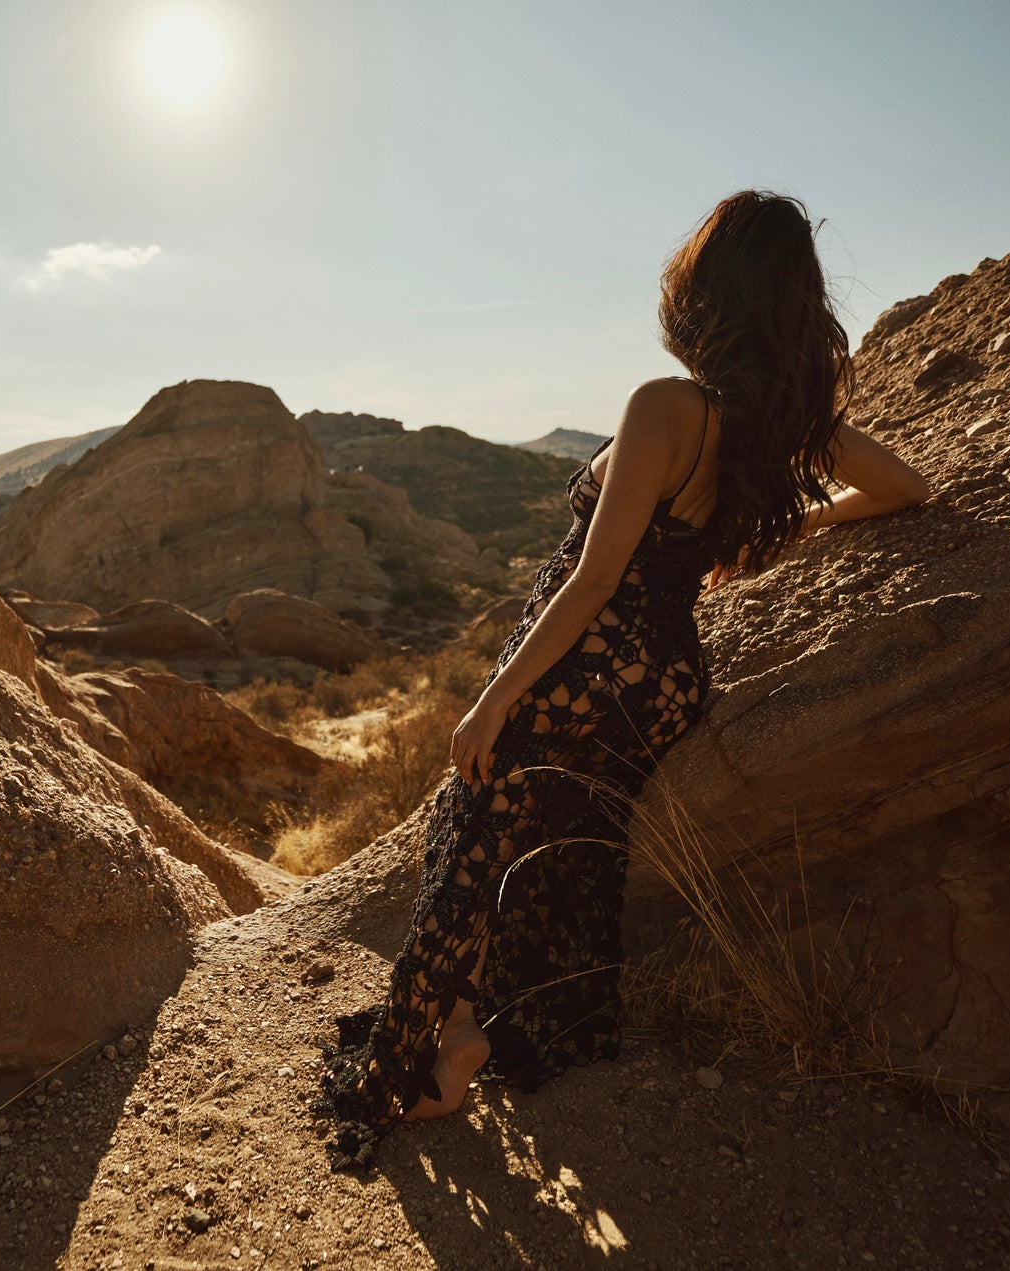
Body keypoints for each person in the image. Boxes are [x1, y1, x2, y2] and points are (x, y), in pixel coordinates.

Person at [314, 190, 931, 1169]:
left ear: (703, 292)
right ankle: (521, 1019)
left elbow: (594, 577)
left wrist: (491, 696)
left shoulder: (663, 405)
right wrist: (796, 523)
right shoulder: (780, 420)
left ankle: (434, 1052)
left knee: (466, 823)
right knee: (571, 837)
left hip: (588, 658)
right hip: (664, 676)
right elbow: (908, 487)